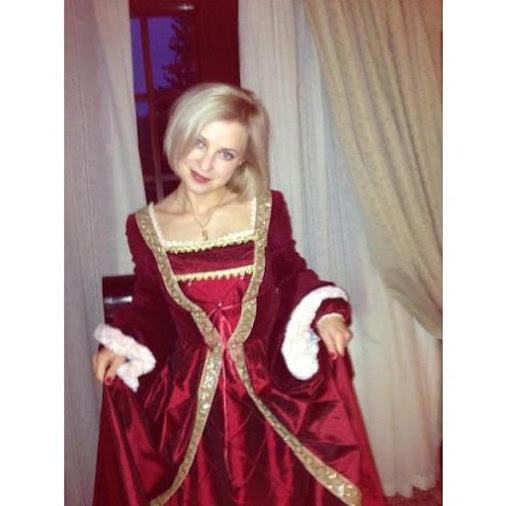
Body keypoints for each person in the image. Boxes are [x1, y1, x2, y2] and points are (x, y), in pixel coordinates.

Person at [91, 83, 385, 506]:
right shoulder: (144, 226)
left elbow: (289, 273)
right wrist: (124, 344)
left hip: (267, 384)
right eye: (199, 143)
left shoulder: (264, 208)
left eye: (225, 154)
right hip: (191, 398)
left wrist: (325, 310)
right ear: (177, 133)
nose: (206, 163)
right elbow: (152, 303)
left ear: (242, 160)